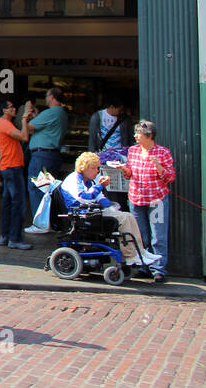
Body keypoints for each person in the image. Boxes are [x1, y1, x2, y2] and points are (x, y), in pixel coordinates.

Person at [60, 152, 154, 269]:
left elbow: (99, 197)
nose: (97, 171)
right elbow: (83, 197)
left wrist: (108, 204)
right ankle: (131, 255)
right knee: (124, 218)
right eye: (94, 168)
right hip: (84, 215)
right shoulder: (74, 179)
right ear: (85, 168)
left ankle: (140, 251)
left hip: (92, 212)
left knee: (128, 216)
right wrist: (100, 186)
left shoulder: (89, 181)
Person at [116, 120, 176, 282]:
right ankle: (143, 266)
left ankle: (158, 269)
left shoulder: (163, 153)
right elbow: (130, 174)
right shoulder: (133, 151)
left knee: (158, 236)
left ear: (149, 136)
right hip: (136, 199)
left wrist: (159, 167)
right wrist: (124, 169)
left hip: (157, 200)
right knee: (140, 235)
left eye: (138, 133)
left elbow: (170, 177)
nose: (135, 136)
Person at [23, 87, 68, 233]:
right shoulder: (61, 113)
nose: (46, 97)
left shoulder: (51, 112)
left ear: (53, 97)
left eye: (47, 95)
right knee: (49, 189)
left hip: (42, 156)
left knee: (36, 187)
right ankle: (51, 222)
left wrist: (26, 116)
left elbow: (29, 127)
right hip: (52, 155)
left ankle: (40, 224)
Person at [0, 100, 34, 250]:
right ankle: (15, 238)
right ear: (4, 110)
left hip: (8, 166)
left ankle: (5, 236)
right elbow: (24, 137)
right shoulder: (4, 123)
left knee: (8, 203)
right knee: (18, 204)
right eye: (11, 107)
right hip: (12, 167)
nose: (14, 108)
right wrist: (24, 118)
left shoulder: (2, 123)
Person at [89, 98, 133, 207]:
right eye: (119, 109)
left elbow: (128, 138)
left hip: (120, 157)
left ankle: (119, 206)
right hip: (103, 157)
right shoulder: (97, 117)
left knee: (119, 185)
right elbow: (93, 138)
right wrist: (92, 157)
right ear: (112, 107)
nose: (121, 112)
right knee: (105, 185)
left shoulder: (125, 119)